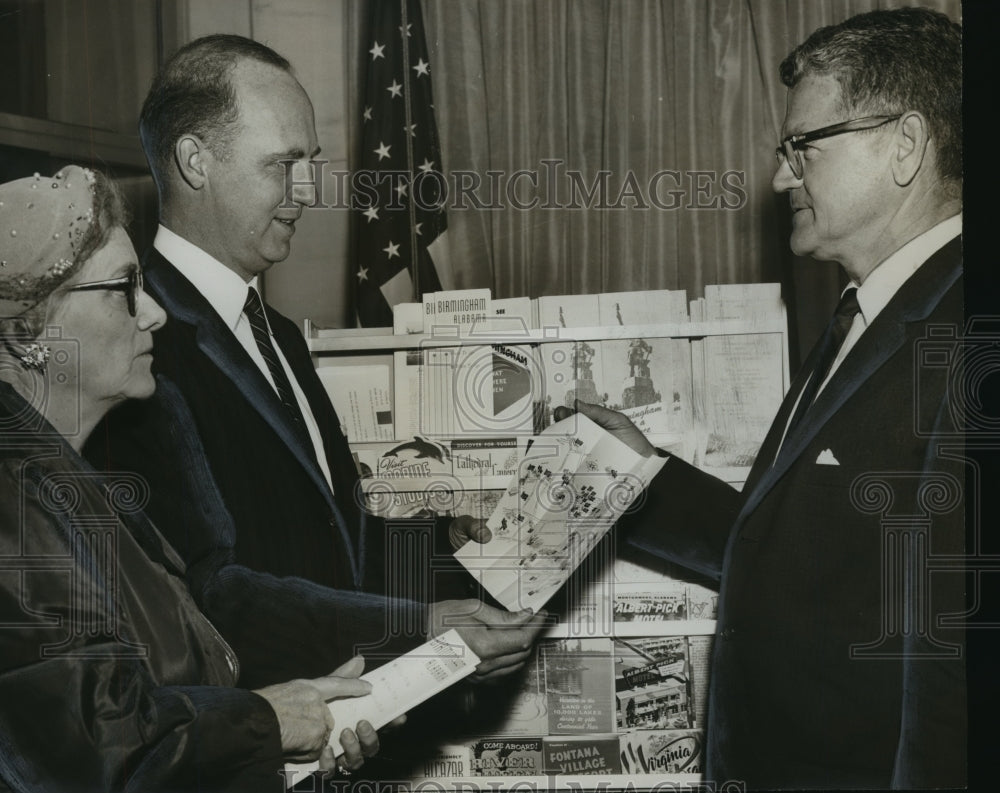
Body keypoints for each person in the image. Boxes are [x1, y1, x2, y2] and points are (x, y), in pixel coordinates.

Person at [553, 8, 965, 789]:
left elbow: (959, 667)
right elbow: (805, 556)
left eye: (801, 146)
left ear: (905, 145)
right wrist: (642, 474)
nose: (781, 175)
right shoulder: (869, 310)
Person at [84, 34, 545, 697]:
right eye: (283, 163)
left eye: (311, 162)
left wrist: (449, 540)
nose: (307, 190)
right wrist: (418, 626)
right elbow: (212, 591)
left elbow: (333, 534)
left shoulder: (278, 335)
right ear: (194, 161)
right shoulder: (140, 346)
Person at [0, 166, 380, 791]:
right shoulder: (13, 497)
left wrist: (279, 744)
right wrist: (266, 720)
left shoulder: (68, 477)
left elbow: (147, 710)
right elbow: (97, 748)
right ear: (29, 329)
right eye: (123, 288)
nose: (152, 313)